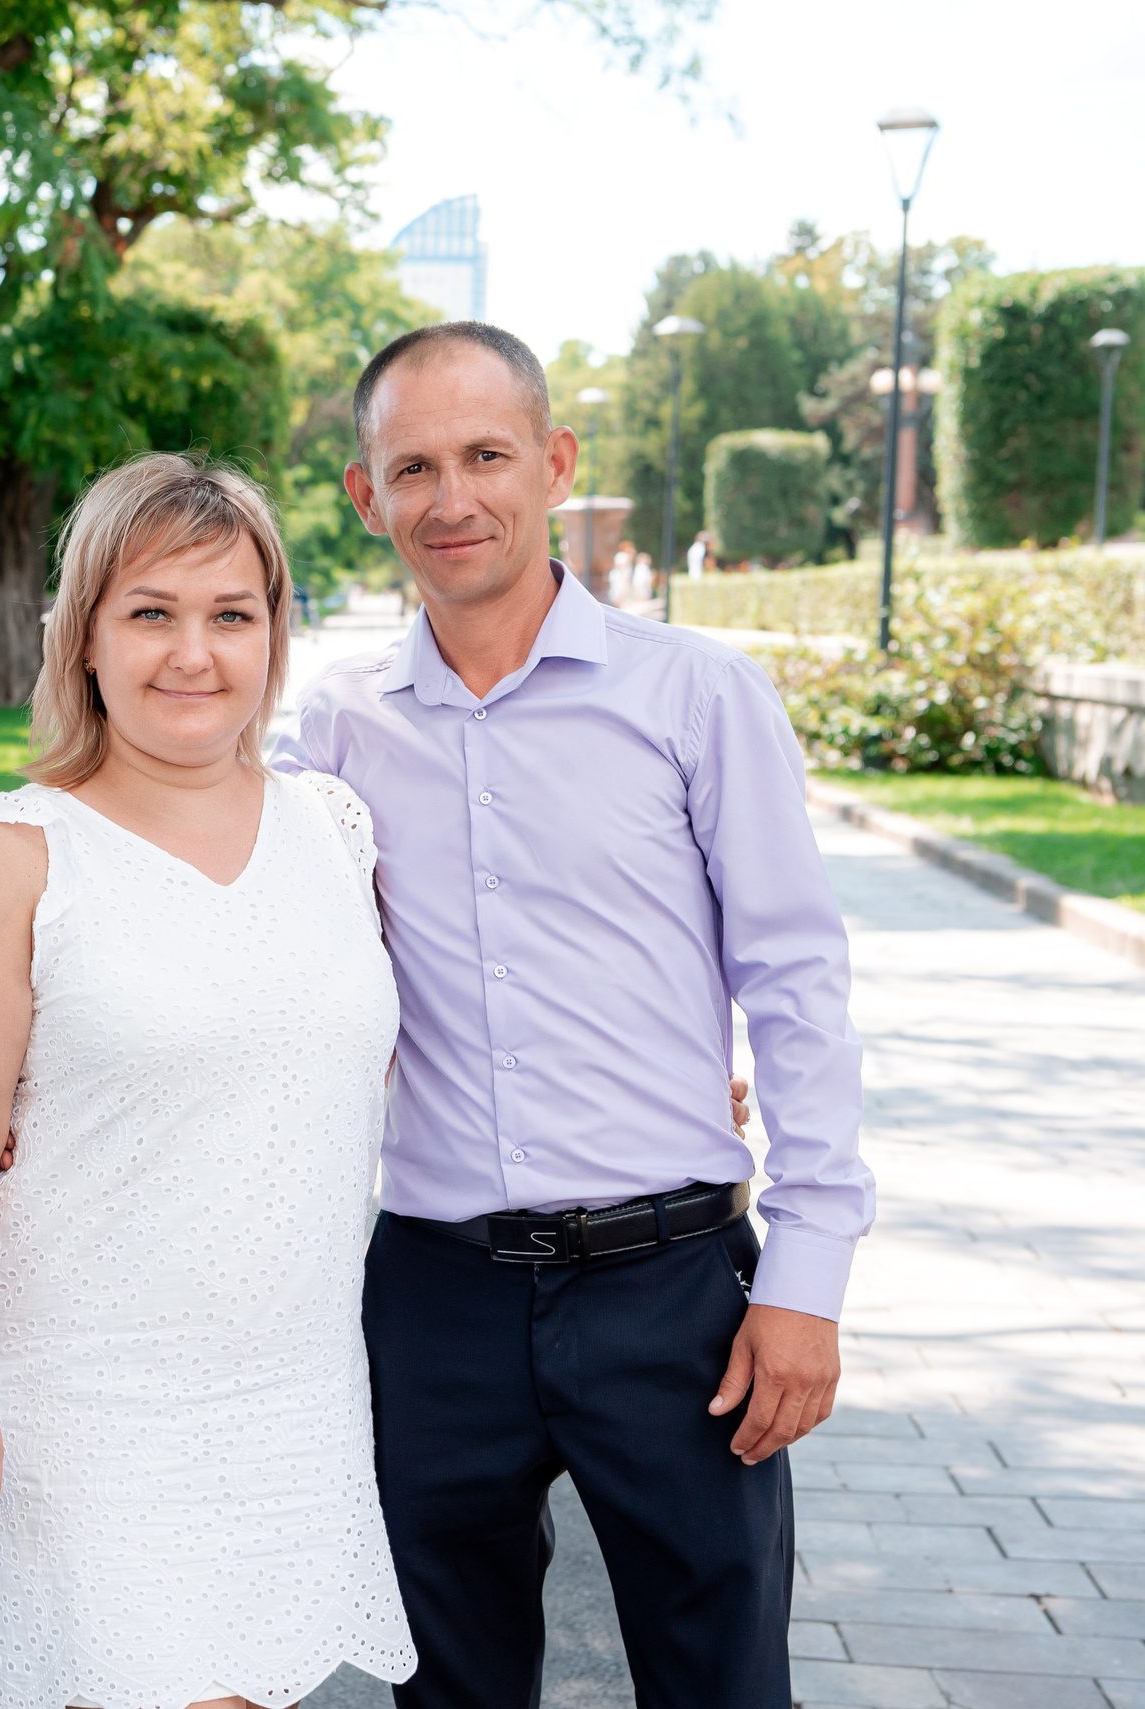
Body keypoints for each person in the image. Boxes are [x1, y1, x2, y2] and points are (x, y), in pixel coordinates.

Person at [281, 320, 874, 1709]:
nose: (453, 498)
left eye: (487, 455)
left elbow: (797, 987)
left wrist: (807, 1277)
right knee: (445, 1684)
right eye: (412, 467)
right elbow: (270, 969)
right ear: (367, 498)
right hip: (433, 1297)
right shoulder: (338, 727)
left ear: (553, 465)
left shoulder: (696, 697)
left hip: (671, 1291)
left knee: (718, 1681)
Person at [0, 453, 419, 1709]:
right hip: (90, 1405)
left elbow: (378, 1056)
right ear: (85, 636)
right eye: (151, 613)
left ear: (273, 635)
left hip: (292, 1392)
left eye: (230, 614)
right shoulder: (16, 854)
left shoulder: (334, 828)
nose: (193, 653)